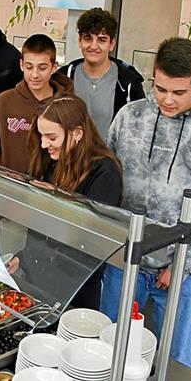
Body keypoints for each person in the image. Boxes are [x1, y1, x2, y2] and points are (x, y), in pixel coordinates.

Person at [102, 37, 191, 369]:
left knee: (175, 362)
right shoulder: (129, 117)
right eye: (161, 89)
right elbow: (107, 183)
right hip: (124, 258)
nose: (168, 99)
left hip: (176, 269)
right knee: (108, 345)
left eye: (179, 92)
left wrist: (184, 262)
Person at [17, 96, 122, 309]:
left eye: (52, 137)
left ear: (77, 134)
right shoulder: (48, 160)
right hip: (37, 274)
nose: (45, 144)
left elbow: (88, 238)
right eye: (42, 136)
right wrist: (23, 258)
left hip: (76, 284)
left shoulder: (104, 172)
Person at [0, 34, 74, 174]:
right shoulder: (4, 102)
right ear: (21, 65)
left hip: (52, 190)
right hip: (10, 187)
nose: (35, 74)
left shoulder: (68, 105)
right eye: (29, 67)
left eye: (42, 68)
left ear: (54, 67)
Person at [59, 8, 145, 139]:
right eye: (88, 39)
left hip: (110, 157)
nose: (93, 46)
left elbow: (140, 128)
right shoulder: (64, 76)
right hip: (70, 157)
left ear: (112, 44)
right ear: (80, 41)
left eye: (101, 40)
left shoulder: (128, 83)